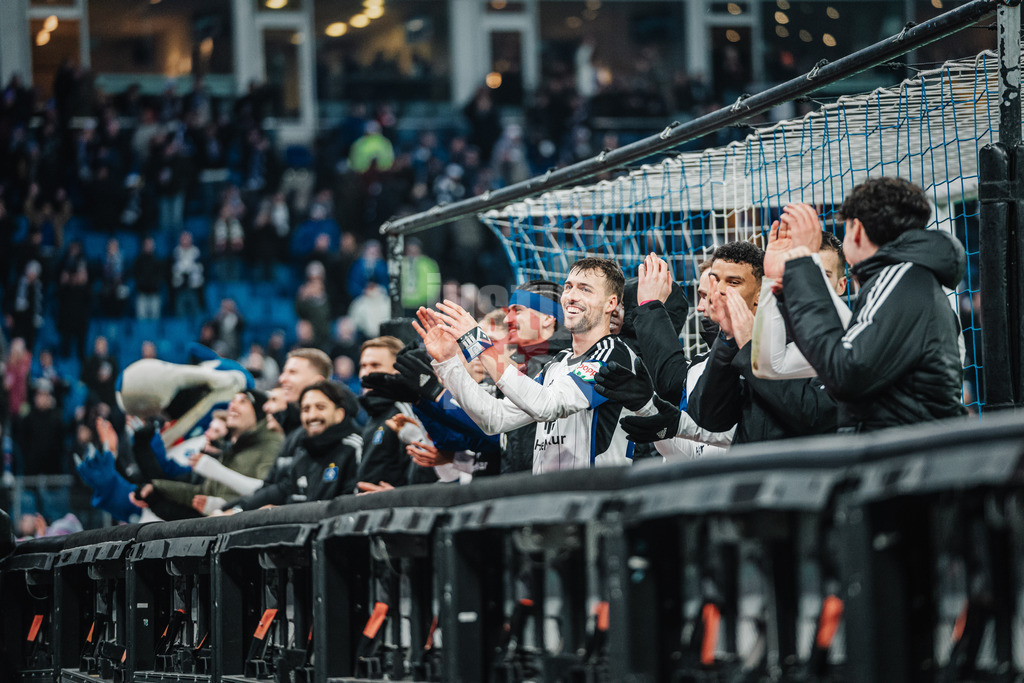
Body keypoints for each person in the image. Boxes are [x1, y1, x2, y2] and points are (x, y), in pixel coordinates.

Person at [420, 257, 657, 473]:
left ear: (610, 303)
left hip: (595, 506)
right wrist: (448, 362)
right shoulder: (556, 365)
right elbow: (494, 419)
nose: (572, 295)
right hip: (548, 504)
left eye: (585, 289)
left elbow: (547, 406)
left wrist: (478, 343)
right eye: (568, 287)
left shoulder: (613, 355)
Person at [771, 177, 967, 430]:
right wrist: (791, 288)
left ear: (858, 231)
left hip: (907, 460)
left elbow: (846, 372)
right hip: (906, 458)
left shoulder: (902, 279)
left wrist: (804, 264)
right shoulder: (905, 279)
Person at [678, 242, 837, 444]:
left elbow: (815, 417)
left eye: (733, 282)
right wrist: (727, 343)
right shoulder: (728, 344)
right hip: (746, 472)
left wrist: (752, 348)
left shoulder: (807, 339)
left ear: (759, 294)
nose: (719, 290)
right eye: (715, 280)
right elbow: (709, 418)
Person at [136, 390, 283, 519]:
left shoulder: (271, 445)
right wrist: (157, 488)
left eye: (243, 402)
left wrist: (224, 504)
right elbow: (202, 493)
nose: (233, 405)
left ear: (259, 412)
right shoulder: (231, 450)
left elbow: (267, 493)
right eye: (233, 401)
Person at [219, 380, 362, 511]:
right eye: (306, 409)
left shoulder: (354, 448)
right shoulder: (302, 452)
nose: (312, 416)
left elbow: (350, 508)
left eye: (320, 407)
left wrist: (281, 514)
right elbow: (283, 493)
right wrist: (234, 510)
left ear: (339, 414)